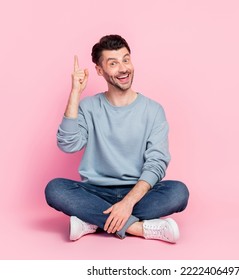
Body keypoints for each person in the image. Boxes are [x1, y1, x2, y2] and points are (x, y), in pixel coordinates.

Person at [45, 34, 189, 243]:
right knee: (55, 189)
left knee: (178, 192)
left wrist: (128, 202)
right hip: (94, 191)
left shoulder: (153, 110)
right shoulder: (88, 106)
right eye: (113, 63)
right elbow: (68, 144)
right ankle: (138, 228)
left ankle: (93, 221)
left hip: (138, 191)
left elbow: (156, 163)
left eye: (126, 59)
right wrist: (75, 93)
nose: (123, 68)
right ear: (99, 70)